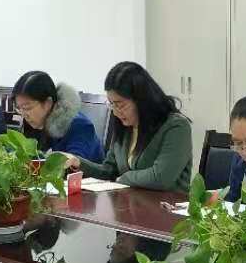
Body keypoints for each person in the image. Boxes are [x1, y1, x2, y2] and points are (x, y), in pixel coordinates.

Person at [65, 61, 193, 191]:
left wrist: (124, 178)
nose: (115, 112)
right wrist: (78, 162)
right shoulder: (125, 126)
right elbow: (109, 171)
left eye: (120, 105)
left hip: (166, 203)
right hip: (130, 201)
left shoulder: (176, 127)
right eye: (112, 104)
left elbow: (161, 177)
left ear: (141, 100)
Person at [12, 70, 102, 161]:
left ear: (48, 102)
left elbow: (74, 164)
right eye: (19, 108)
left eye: (27, 108)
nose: (23, 115)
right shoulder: (35, 124)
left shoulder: (80, 126)